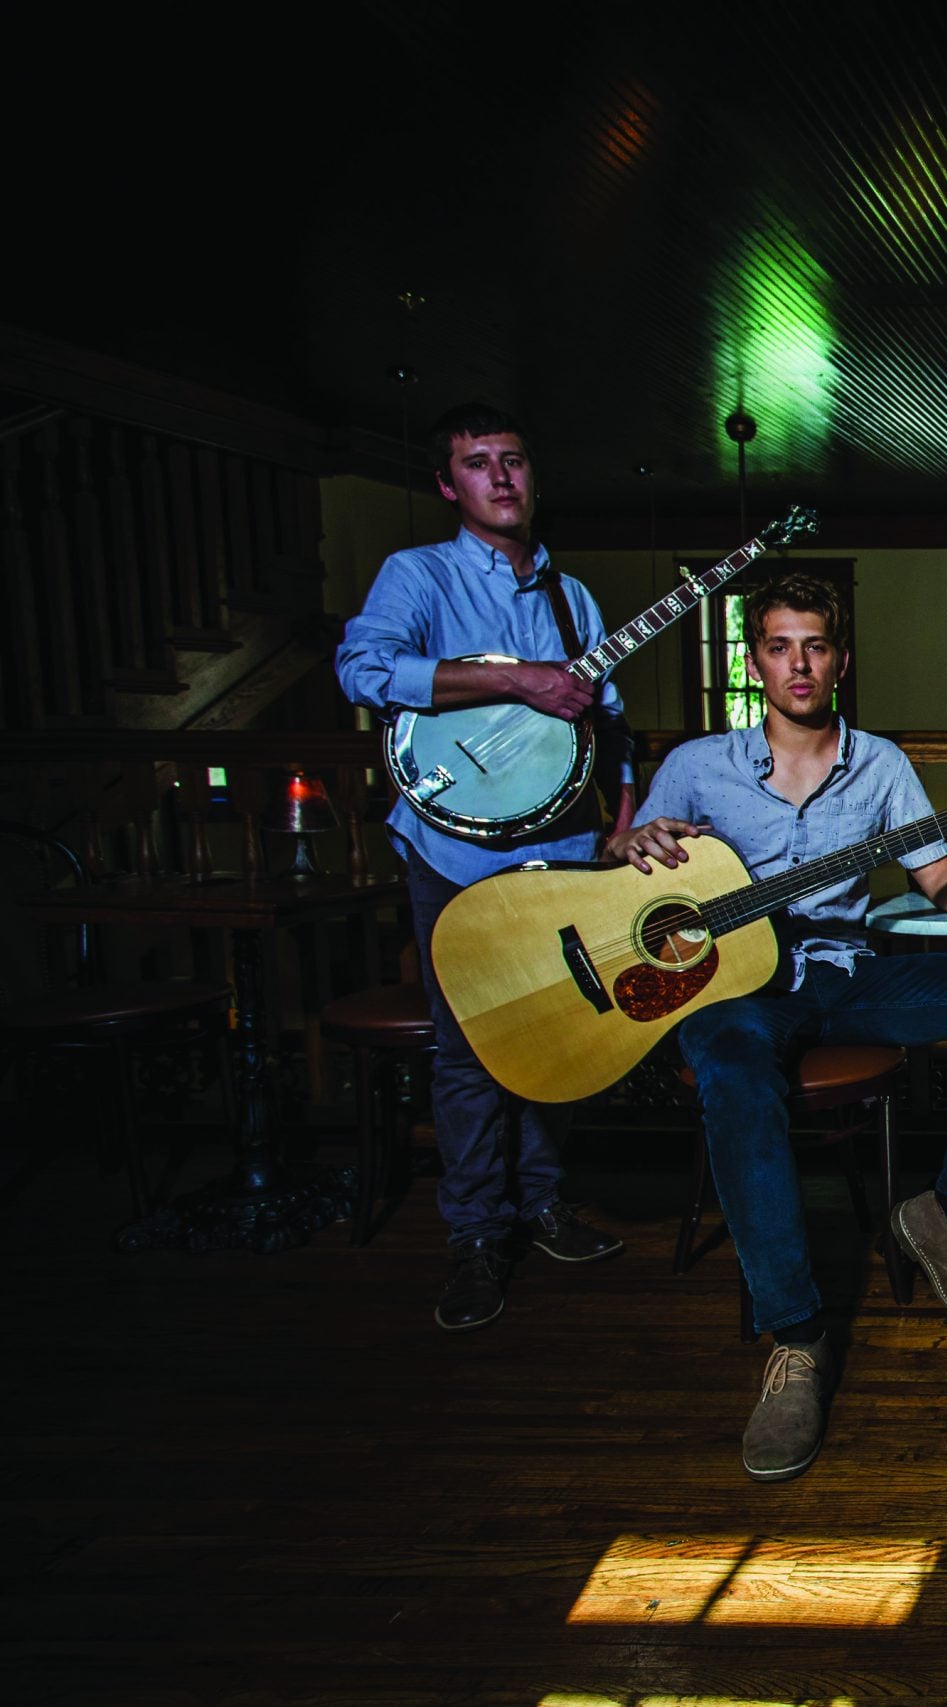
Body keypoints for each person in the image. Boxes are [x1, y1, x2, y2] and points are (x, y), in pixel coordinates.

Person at [607, 572, 947, 1483]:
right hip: (734, 986)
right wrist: (628, 847)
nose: (798, 663)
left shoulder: (879, 762)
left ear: (839, 659)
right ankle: (798, 1341)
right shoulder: (696, 765)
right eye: (778, 645)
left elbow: (934, 873)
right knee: (733, 1073)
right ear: (755, 660)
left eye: (814, 645)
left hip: (844, 971)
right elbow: (635, 878)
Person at [336, 402, 631, 1332]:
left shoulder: (569, 597)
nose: (500, 478)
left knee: (561, 1035)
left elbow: (606, 718)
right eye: (477, 463)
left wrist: (623, 816)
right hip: (454, 850)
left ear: (533, 477)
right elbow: (364, 670)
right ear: (447, 484)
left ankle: (543, 1204)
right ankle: (473, 1237)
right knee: (468, 1052)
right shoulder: (415, 575)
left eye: (513, 461)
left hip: (564, 852)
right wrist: (513, 678)